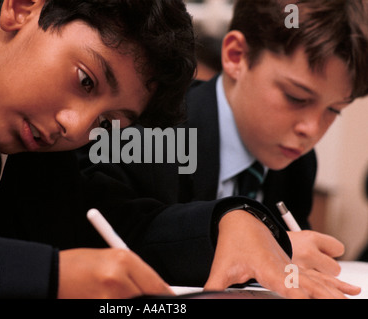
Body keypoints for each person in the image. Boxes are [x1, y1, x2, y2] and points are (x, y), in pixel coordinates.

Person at [73, 0, 368, 298]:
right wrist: (246, 237)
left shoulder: (298, 165)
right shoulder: (148, 128)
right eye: (296, 97)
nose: (312, 129)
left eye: (334, 110)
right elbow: (111, 229)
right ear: (236, 56)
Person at [0, 0, 197, 298]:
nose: (76, 128)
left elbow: (129, 228)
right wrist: (48, 274)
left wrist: (227, 219)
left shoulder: (33, 163)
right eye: (85, 81)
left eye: (105, 122)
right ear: (20, 9)